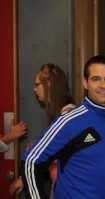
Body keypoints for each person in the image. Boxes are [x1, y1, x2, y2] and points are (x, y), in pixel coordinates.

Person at [19, 56, 105, 198]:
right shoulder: (70, 121)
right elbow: (30, 162)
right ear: (85, 83)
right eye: (96, 79)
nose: (103, 85)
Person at [9, 63, 75, 196]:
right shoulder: (60, 114)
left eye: (37, 84)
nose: (34, 89)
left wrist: (38, 153)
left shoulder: (67, 117)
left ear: (49, 84)